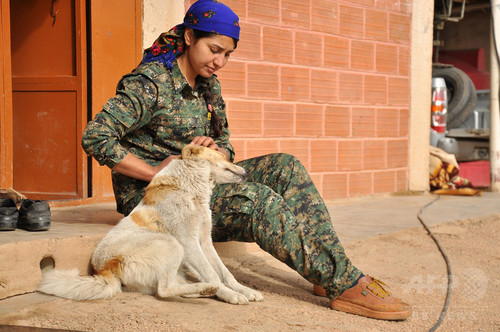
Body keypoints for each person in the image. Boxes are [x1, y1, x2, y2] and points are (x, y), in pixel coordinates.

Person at [82, 0, 411, 321]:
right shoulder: (150, 84)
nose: (220, 62)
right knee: (257, 200)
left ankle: (328, 269)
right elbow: (96, 135)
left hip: (199, 184)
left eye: (227, 54)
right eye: (214, 50)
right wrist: (154, 170)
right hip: (156, 201)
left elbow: (226, 143)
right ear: (188, 37)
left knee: (285, 166)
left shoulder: (208, 86)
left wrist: (217, 150)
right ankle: (345, 282)